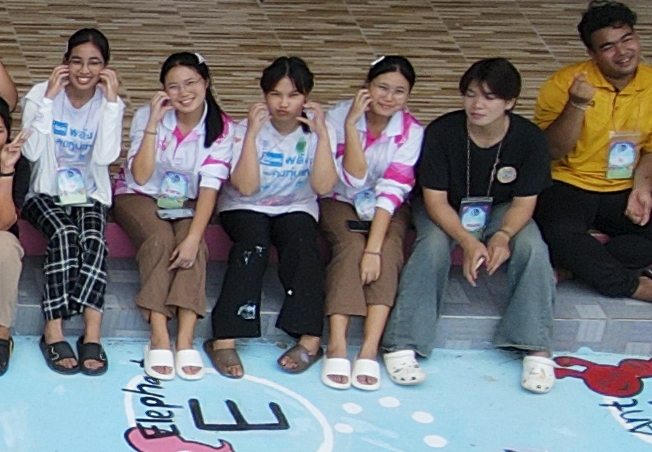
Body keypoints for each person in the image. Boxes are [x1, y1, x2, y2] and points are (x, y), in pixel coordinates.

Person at [400, 56, 561, 394]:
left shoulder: (529, 139)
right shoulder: (443, 132)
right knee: (432, 245)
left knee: (532, 246)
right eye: (471, 94)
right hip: (446, 207)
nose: (477, 105)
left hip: (500, 208)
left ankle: (535, 346)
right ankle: (405, 341)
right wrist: (469, 241)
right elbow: (435, 201)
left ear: (510, 102)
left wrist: (502, 235)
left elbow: (524, 203)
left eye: (489, 97)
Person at [532, 1, 652, 312]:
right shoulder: (564, 83)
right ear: (592, 54)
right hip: (568, 182)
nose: (622, 52)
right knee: (558, 233)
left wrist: (642, 188)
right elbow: (551, 150)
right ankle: (634, 286)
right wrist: (576, 104)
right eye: (608, 47)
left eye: (627, 39)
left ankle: (577, 267)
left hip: (624, 184)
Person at [113, 53, 227, 381]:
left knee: (194, 246)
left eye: (191, 83)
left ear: (206, 83)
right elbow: (140, 173)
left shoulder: (222, 128)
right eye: (173, 86)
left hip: (187, 200)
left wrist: (193, 238)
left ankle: (186, 339)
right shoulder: (148, 116)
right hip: (138, 194)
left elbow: (210, 189)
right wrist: (152, 124)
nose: (183, 93)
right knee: (160, 239)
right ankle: (160, 334)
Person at [211, 58, 326, 380]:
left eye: (293, 95)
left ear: (306, 97)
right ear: (264, 95)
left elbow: (323, 186)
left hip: (296, 206)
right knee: (253, 245)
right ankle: (224, 338)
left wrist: (323, 137)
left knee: (303, 245)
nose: (284, 104)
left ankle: (310, 339)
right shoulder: (241, 130)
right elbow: (246, 187)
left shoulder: (318, 132)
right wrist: (251, 134)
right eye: (276, 94)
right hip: (244, 205)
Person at [320, 54, 427, 389]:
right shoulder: (337, 117)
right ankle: (337, 344)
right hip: (338, 199)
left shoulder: (412, 132)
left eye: (399, 91)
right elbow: (352, 179)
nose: (389, 97)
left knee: (390, 249)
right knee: (351, 246)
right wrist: (352, 126)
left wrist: (375, 249)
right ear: (366, 86)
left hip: (386, 207)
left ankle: (368, 348)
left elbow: (392, 191)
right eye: (382, 87)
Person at [22, 27, 125, 374]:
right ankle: (53, 329)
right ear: (64, 63)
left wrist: (112, 103)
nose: (84, 70)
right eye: (77, 61)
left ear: (105, 68)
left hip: (88, 192)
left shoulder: (109, 104)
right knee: (65, 234)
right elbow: (31, 151)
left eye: (94, 63)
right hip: (44, 191)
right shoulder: (40, 94)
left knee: (93, 239)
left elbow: (106, 156)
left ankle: (92, 333)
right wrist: (49, 101)